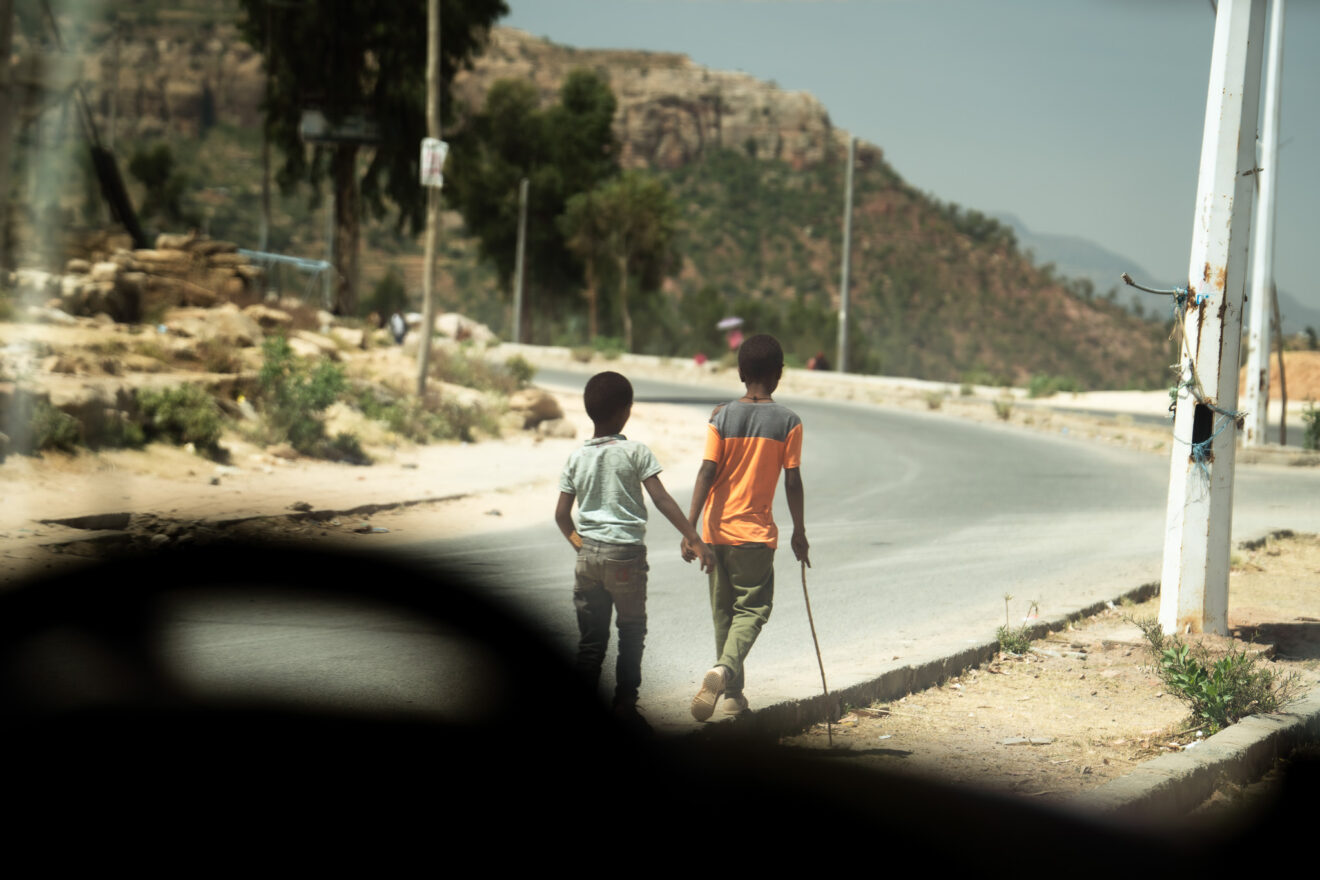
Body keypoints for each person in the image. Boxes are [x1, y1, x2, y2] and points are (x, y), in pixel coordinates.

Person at [556, 371, 715, 728]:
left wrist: (581, 546)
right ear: (625, 410)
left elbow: (562, 516)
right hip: (625, 555)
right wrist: (694, 537)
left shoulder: (576, 458)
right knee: (630, 630)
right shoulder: (635, 451)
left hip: (588, 556)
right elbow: (661, 499)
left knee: (591, 642)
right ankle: (625, 705)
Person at [681, 334, 809, 721]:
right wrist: (799, 531)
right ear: (778, 374)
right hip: (753, 535)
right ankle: (724, 672)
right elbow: (792, 481)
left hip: (714, 531)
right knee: (753, 609)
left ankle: (732, 697)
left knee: (724, 614)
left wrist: (690, 530)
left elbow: (706, 471)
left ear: (740, 372)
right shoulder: (789, 422)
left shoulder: (720, 417)